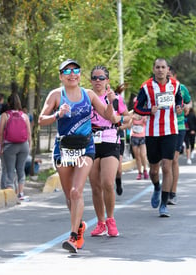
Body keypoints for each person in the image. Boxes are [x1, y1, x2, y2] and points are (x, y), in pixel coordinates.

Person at [38, 59, 115, 253]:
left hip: (85, 147)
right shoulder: (56, 95)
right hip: (64, 148)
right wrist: (57, 114)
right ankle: (79, 225)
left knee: (76, 191)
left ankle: (73, 237)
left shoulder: (88, 95)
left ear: (80, 75)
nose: (72, 74)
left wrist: (111, 102)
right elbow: (41, 120)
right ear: (61, 76)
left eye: (76, 70)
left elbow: (107, 115)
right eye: (67, 71)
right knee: (68, 197)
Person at [133, 58, 183, 217]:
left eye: (163, 67)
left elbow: (179, 99)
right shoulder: (146, 87)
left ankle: (164, 204)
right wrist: (149, 111)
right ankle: (156, 187)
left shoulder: (175, 85)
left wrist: (179, 107)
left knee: (167, 166)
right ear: (154, 69)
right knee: (154, 170)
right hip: (152, 132)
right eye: (158, 67)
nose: (161, 70)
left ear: (168, 69)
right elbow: (137, 107)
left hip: (171, 131)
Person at [88, 66, 130, 237]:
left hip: (111, 141)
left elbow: (128, 119)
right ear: (91, 80)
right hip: (90, 142)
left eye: (101, 78)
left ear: (107, 81)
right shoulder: (86, 97)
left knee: (107, 182)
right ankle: (100, 222)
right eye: (95, 78)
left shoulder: (115, 98)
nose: (98, 81)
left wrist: (118, 120)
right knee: (95, 186)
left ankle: (110, 219)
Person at [0, 93, 31, 199]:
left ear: (8, 103)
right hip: (23, 145)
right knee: (20, 170)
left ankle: (11, 195)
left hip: (10, 146)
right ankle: (21, 193)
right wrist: (29, 146)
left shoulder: (5, 115)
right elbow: (29, 133)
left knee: (10, 171)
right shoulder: (24, 115)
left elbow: (1, 133)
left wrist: (1, 147)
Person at [167, 66, 192, 205]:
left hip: (179, 126)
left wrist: (187, 106)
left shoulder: (181, 88)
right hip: (163, 127)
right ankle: (163, 188)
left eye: (170, 75)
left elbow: (189, 101)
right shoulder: (157, 88)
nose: (168, 77)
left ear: (175, 75)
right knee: (164, 161)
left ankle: (172, 192)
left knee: (174, 159)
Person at [130, 109, 149, 180]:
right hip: (134, 136)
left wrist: (144, 120)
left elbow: (147, 123)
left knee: (143, 155)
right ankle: (139, 172)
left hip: (142, 137)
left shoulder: (144, 114)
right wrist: (132, 119)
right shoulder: (133, 114)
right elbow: (129, 126)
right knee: (137, 156)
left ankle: (145, 170)